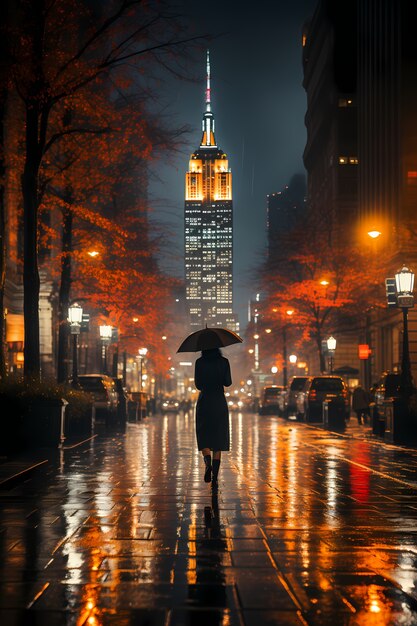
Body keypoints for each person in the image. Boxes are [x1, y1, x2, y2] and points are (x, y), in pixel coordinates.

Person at [194, 347, 232, 491]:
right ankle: (215, 478)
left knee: (204, 434)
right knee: (218, 438)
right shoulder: (224, 362)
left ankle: (207, 464)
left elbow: (198, 385)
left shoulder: (199, 362)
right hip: (219, 401)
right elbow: (228, 382)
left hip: (204, 401)